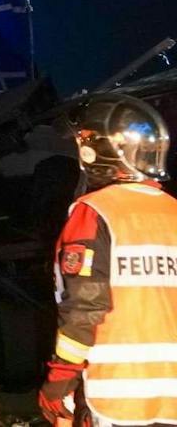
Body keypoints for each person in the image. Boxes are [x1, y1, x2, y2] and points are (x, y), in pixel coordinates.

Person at [39, 93, 177, 427]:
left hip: (117, 393)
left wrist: (59, 380)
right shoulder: (171, 211)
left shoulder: (95, 212)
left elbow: (85, 308)